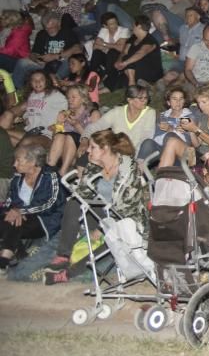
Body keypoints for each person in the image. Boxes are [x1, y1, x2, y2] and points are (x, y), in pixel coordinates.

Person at [44, 130, 146, 284]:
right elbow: (82, 195)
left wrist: (101, 229)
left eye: (92, 147)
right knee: (73, 203)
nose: (88, 150)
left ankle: (69, 273)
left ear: (104, 149)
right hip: (101, 213)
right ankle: (63, 255)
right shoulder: (94, 165)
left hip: (126, 219)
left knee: (112, 241)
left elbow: (127, 207)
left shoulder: (128, 166)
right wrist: (92, 171)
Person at [0, 144, 64, 273]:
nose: (14, 164)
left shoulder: (50, 175)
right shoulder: (17, 178)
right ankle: (18, 251)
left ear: (33, 162)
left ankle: (4, 260)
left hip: (44, 220)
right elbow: (9, 203)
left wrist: (21, 211)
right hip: (21, 217)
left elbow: (51, 203)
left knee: (15, 222)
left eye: (18, 160)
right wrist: (12, 212)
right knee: (11, 219)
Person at [0, 70, 67, 149]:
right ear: (30, 83)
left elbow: (68, 109)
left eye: (41, 80)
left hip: (46, 135)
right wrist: (24, 119)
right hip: (30, 133)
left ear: (47, 81)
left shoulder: (55, 94)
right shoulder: (32, 95)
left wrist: (58, 125)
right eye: (34, 80)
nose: (37, 82)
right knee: (5, 137)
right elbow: (29, 113)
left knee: (7, 135)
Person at [106, 15, 162, 90]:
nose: (132, 27)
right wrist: (119, 61)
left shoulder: (150, 41)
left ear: (138, 26)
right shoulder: (133, 37)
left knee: (129, 61)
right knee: (113, 53)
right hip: (134, 69)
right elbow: (124, 52)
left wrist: (124, 63)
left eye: (133, 25)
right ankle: (102, 85)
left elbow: (140, 54)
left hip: (151, 72)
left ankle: (132, 89)